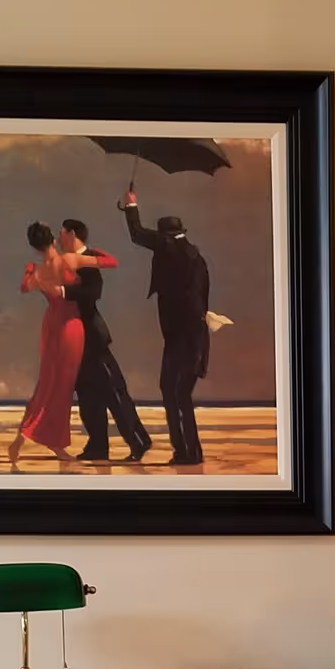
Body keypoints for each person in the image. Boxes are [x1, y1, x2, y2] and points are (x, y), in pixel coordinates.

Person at [37, 219, 150, 462]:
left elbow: (93, 293)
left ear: (72, 234)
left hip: (92, 338)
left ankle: (138, 441)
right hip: (74, 340)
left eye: (63, 232)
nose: (60, 237)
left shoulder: (86, 260)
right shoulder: (70, 260)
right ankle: (97, 445)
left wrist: (65, 292)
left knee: (113, 391)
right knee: (87, 395)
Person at [10, 222, 113, 467]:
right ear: (53, 240)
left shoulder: (37, 270)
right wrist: (88, 250)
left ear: (35, 246)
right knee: (62, 387)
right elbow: (110, 261)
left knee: (46, 383)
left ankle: (29, 436)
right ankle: (51, 441)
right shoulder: (69, 261)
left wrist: (29, 271)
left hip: (51, 326)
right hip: (70, 326)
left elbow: (25, 288)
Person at [120, 188, 211, 465]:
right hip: (196, 336)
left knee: (172, 390)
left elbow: (137, 234)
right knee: (179, 392)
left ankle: (185, 452)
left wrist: (131, 205)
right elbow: (201, 299)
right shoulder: (197, 258)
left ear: (166, 236)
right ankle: (189, 451)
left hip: (180, 337)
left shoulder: (168, 247)